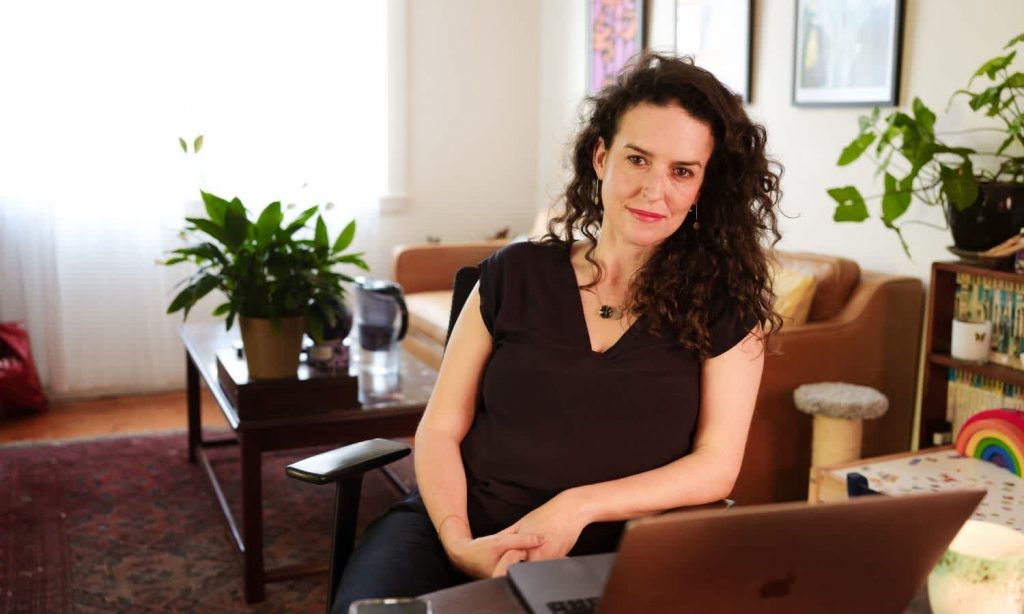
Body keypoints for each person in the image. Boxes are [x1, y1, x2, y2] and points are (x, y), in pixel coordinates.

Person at [332, 51, 783, 613]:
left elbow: (716, 465)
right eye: (637, 159)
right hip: (457, 526)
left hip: (615, 550)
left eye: (682, 171)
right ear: (601, 157)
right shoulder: (513, 273)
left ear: (702, 187)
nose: (654, 190)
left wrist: (577, 506)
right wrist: (458, 541)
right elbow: (441, 429)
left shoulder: (726, 306)